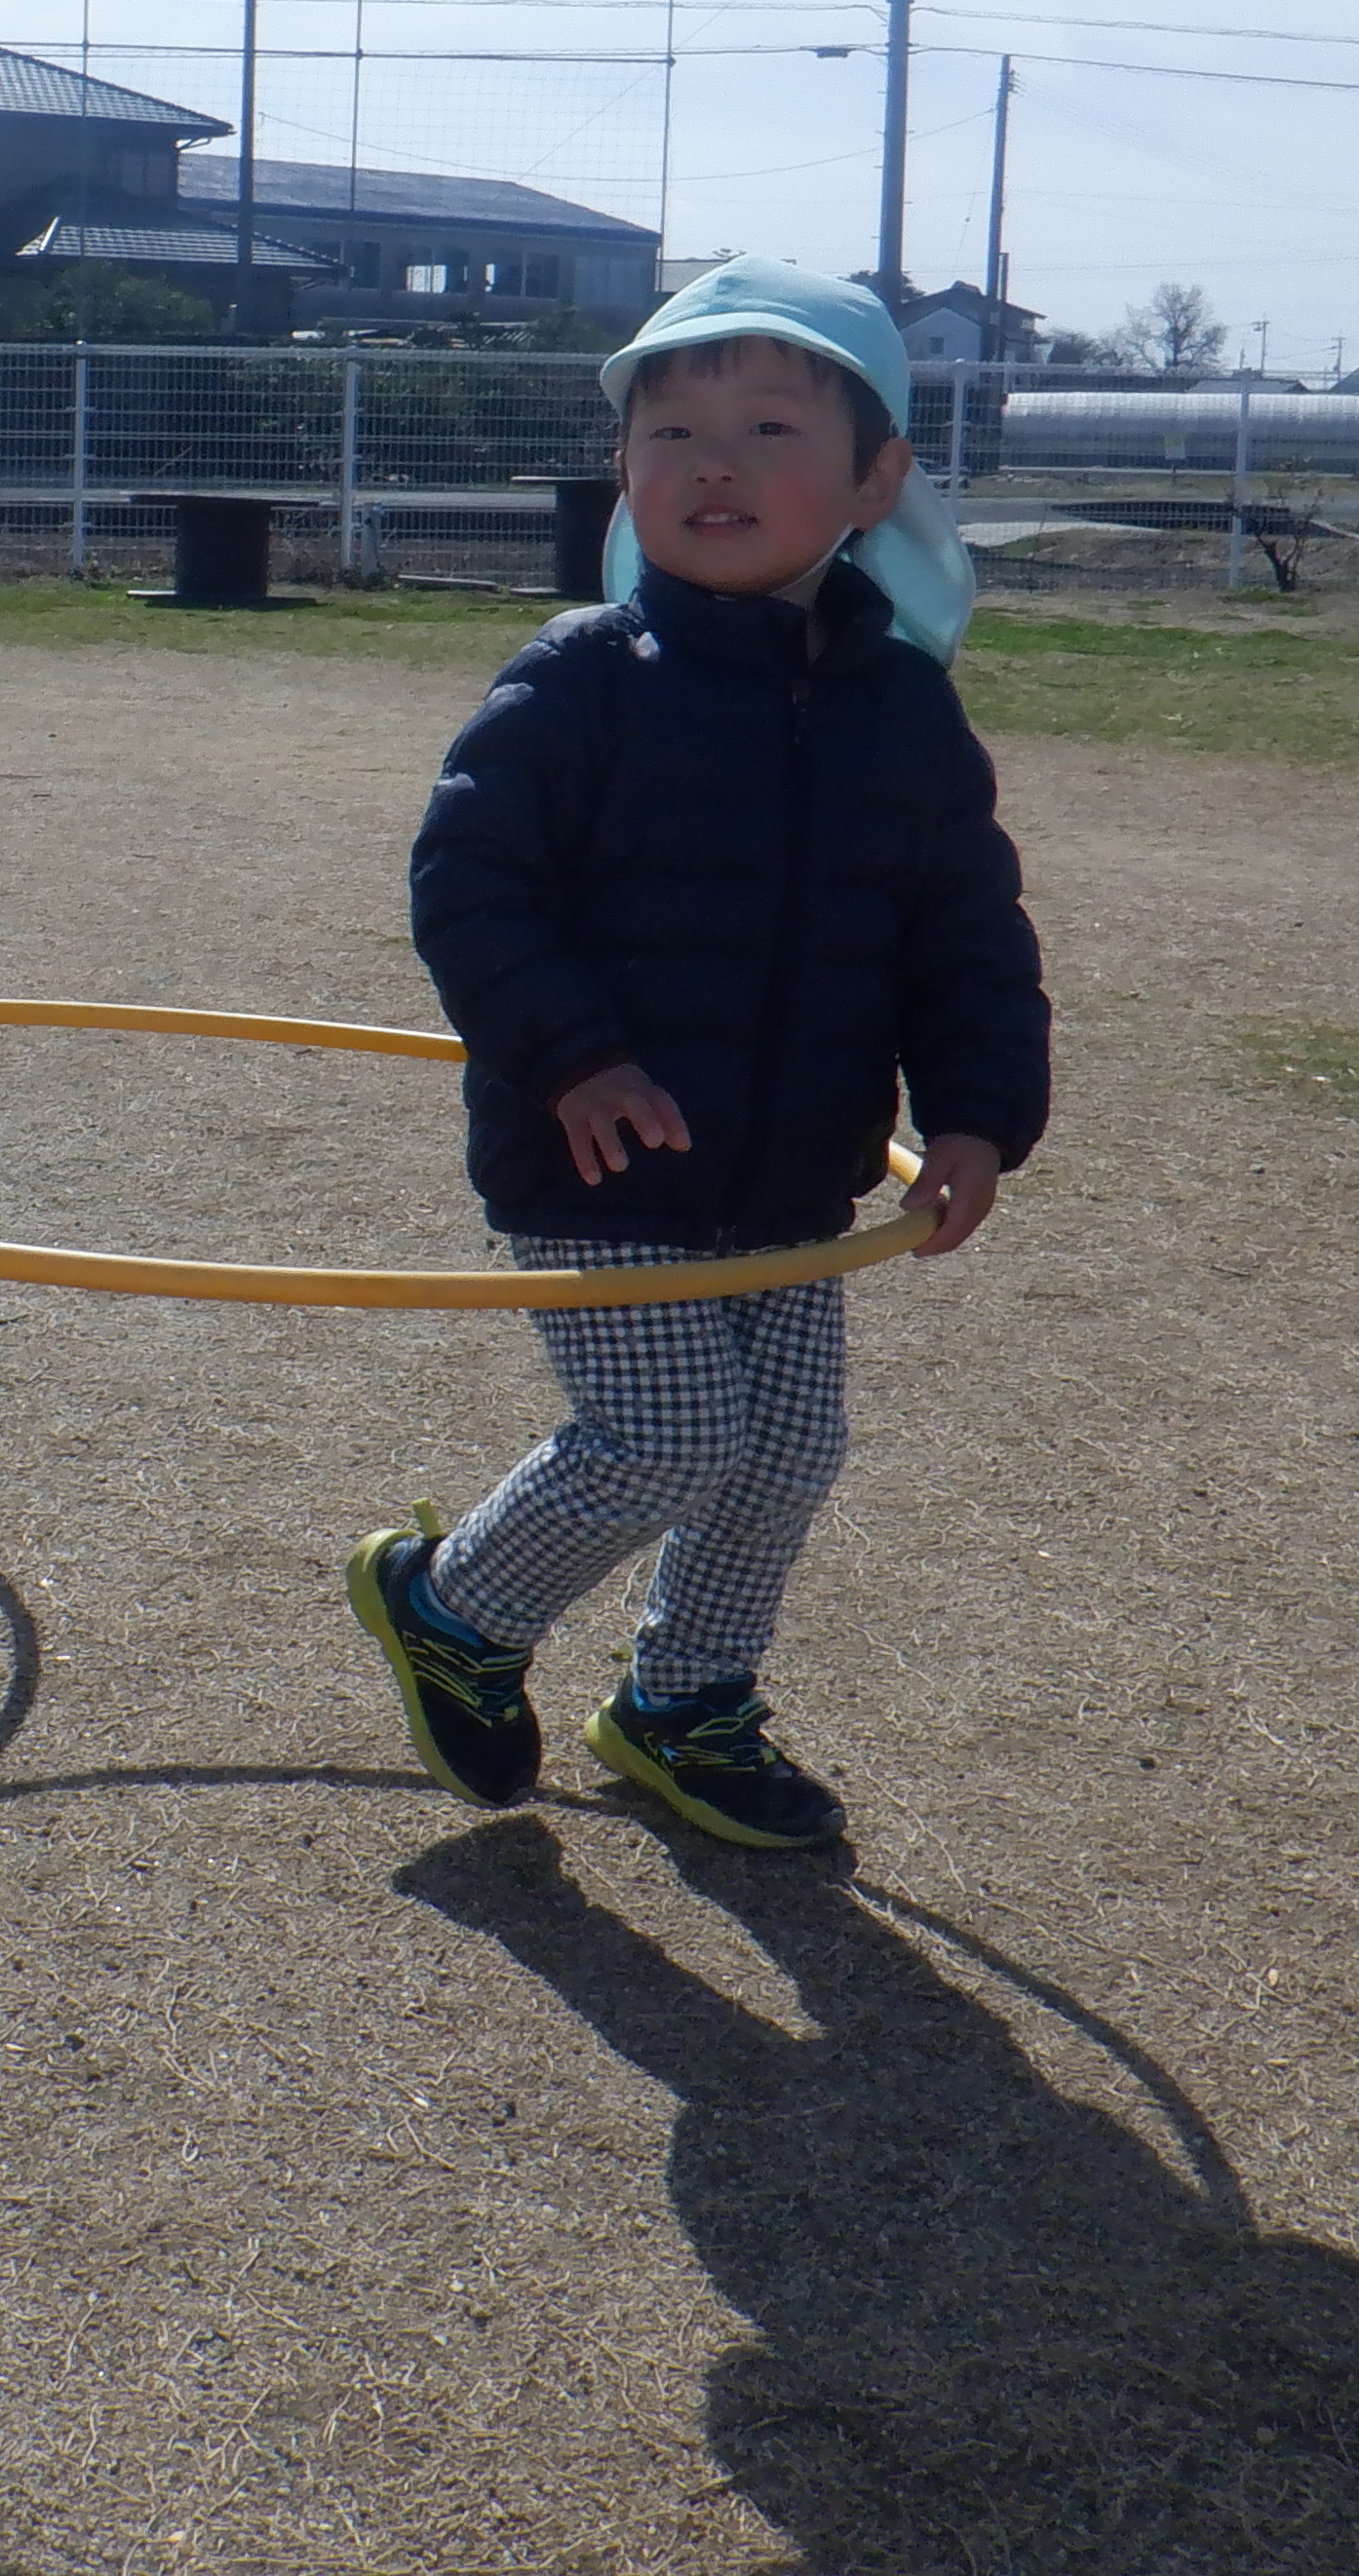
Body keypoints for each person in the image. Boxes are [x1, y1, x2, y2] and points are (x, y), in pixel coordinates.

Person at [350, 259, 1050, 1849]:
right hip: (602, 1156)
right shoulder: (583, 676)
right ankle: (453, 1606)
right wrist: (573, 1057)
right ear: (625, 470)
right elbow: (471, 885)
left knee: (785, 1453)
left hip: (795, 1166)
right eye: (670, 432)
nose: (711, 464)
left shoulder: (904, 714)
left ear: (875, 479)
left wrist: (975, 1116)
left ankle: (684, 1701)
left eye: (766, 429)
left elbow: (965, 937)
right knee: (666, 1438)